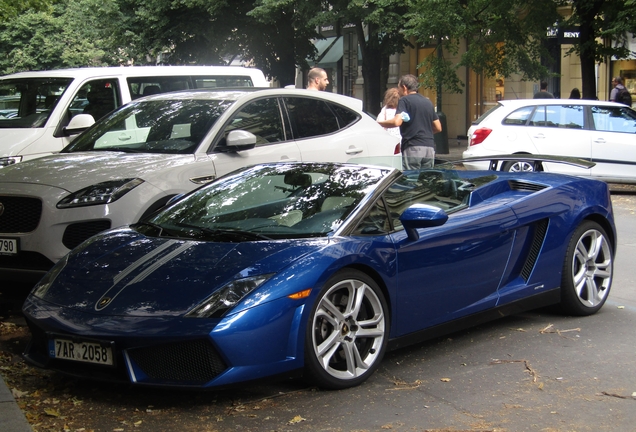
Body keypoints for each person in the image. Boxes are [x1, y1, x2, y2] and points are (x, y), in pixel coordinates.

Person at [377, 74, 442, 169]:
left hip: (413, 147)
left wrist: (378, 123)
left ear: (404, 87)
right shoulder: (427, 102)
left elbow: (396, 122)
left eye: (399, 87)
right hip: (429, 147)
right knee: (426, 180)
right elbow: (438, 127)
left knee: (411, 179)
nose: (398, 91)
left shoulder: (404, 101)